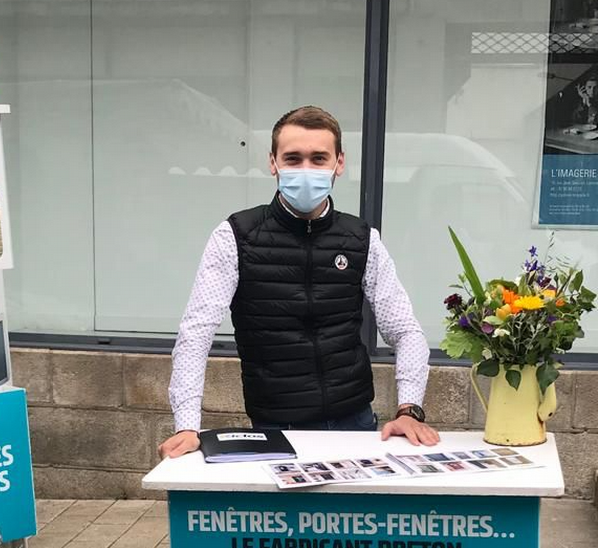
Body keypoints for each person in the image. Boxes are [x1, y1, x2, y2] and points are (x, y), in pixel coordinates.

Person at [158, 105, 439, 459]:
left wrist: (409, 409)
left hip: (355, 424)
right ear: (273, 163)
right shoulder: (235, 236)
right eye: (293, 159)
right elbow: (196, 333)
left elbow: (405, 329)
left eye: (318, 158)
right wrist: (187, 425)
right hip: (276, 429)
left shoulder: (362, 239)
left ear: (339, 163)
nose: (306, 170)